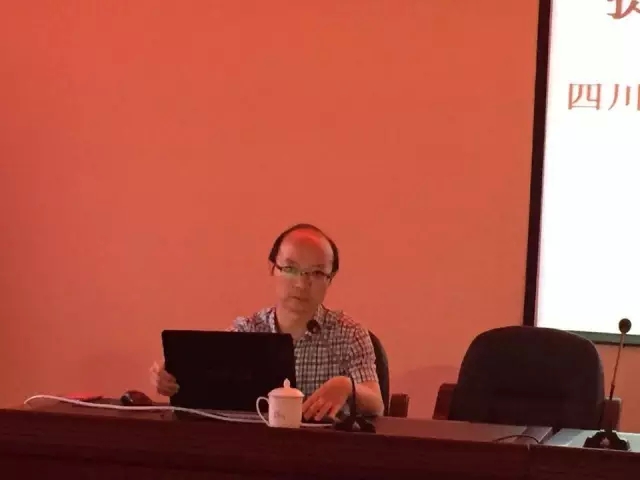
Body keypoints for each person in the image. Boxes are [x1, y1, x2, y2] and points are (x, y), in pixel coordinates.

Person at [150, 223, 384, 420]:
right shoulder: (247, 331)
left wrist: (346, 386)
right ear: (273, 268)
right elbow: (203, 371)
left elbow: (377, 404)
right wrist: (169, 374)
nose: (302, 284)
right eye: (290, 269)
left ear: (330, 279)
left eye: (316, 273)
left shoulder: (350, 333)